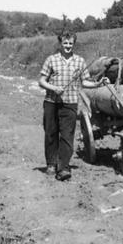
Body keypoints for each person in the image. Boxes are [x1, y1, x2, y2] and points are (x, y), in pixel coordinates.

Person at [38, 32, 108, 181]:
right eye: (65, 43)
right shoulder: (51, 59)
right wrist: (53, 88)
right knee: (51, 133)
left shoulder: (80, 61)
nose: (68, 46)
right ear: (60, 44)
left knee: (67, 135)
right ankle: (51, 164)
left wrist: (98, 83)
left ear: (74, 44)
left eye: (70, 43)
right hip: (51, 102)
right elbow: (41, 81)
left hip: (70, 103)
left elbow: (85, 82)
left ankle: (63, 167)